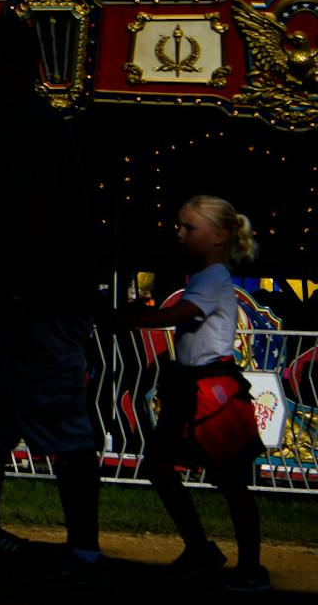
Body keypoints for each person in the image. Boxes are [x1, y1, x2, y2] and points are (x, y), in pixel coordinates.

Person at [0, 16, 106, 579]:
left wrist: (16, 294)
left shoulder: (24, 127)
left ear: (8, 62)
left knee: (59, 425)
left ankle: (85, 551)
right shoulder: (20, 123)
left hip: (33, 302)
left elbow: (30, 220)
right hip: (19, 300)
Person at [119, 195, 268, 592]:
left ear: (218, 237)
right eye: (180, 226)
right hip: (194, 389)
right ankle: (204, 551)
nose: (180, 233)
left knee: (231, 483)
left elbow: (177, 316)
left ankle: (250, 569)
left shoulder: (213, 278)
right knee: (166, 469)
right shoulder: (206, 277)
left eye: (189, 228)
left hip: (211, 392)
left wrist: (128, 319)